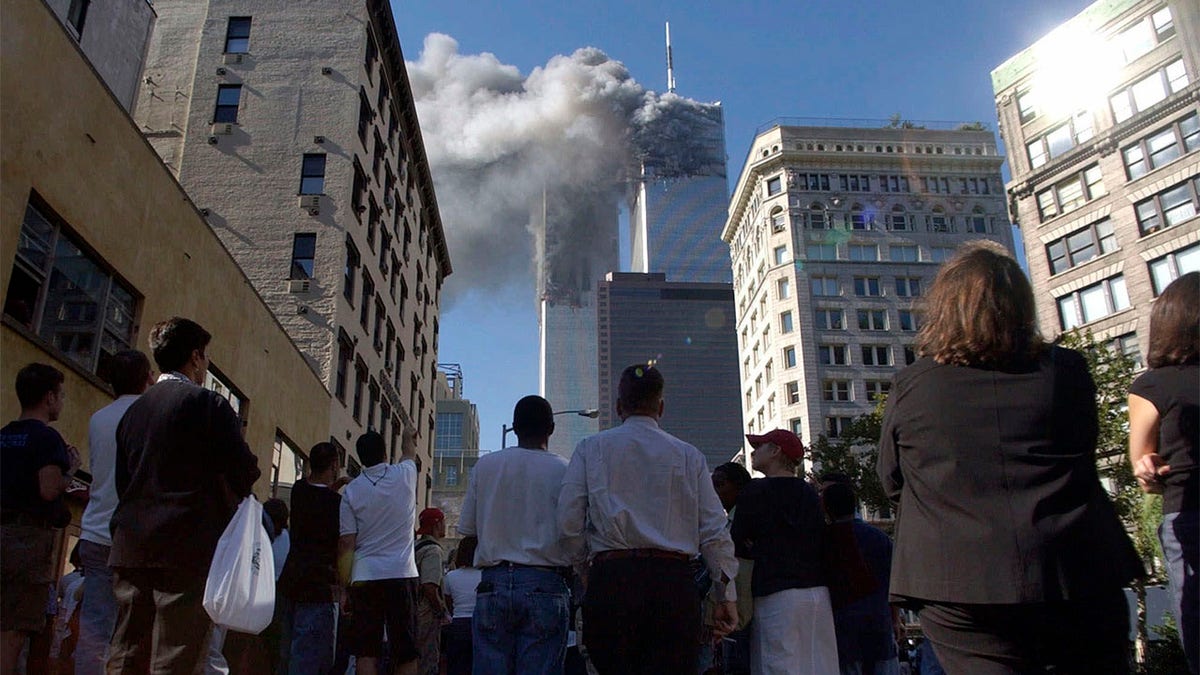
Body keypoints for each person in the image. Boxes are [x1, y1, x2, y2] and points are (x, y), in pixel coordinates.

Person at [876, 241, 1143, 674]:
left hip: (958, 584)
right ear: (1023, 306)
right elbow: (1087, 449)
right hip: (1075, 569)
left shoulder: (913, 385)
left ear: (941, 309)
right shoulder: (1067, 371)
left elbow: (891, 480)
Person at [559, 364, 738, 674]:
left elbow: (568, 520)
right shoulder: (689, 455)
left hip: (612, 579)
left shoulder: (591, 448)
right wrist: (726, 595)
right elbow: (714, 532)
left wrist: (584, 568)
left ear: (618, 407)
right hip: (674, 582)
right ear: (662, 407)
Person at [107, 317, 262, 674]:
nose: (205, 365)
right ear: (195, 357)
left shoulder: (132, 413)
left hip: (132, 546)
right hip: (188, 549)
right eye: (205, 357)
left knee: (128, 650)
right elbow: (245, 472)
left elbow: (124, 483)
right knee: (176, 654)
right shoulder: (209, 406)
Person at [459, 395, 584, 674]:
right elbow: (573, 530)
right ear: (551, 429)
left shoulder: (486, 467)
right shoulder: (565, 470)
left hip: (493, 583)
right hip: (546, 583)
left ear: (514, 428)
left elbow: (468, 531)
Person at [1128, 270, 1198, 674]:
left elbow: (1143, 467)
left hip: (1187, 513)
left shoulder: (1152, 385)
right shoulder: (1151, 385)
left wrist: (1149, 471)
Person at [732, 429, 836, 675]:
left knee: (777, 665)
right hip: (818, 594)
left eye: (760, 446)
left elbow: (736, 541)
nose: (754, 452)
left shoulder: (754, 492)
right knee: (820, 665)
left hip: (775, 592)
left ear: (776, 451)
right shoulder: (810, 493)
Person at [75, 350, 152, 675]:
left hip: (95, 532)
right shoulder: (150, 418)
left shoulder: (98, 418)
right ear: (147, 378)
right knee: (135, 635)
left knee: (94, 630)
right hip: (135, 540)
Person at [1, 363, 80, 675]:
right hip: (26, 541)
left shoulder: (5, 435)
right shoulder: (48, 440)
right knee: (13, 630)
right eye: (60, 395)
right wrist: (70, 471)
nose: (61, 402)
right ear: (49, 398)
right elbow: (49, 490)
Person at [338, 428, 420, 675]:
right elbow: (409, 452)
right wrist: (407, 436)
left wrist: (344, 588)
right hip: (401, 572)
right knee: (405, 651)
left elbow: (346, 545)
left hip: (364, 577)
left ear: (360, 458)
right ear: (386, 453)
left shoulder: (351, 492)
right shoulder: (405, 474)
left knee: (366, 651)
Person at [277, 442, 347, 675]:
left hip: (291, 579)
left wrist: (337, 485)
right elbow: (341, 544)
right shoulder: (337, 505)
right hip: (317, 584)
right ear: (335, 465)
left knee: (287, 651)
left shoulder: (298, 491)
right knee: (308, 655)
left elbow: (317, 492)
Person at [819, 479, 899, 675]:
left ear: (826, 508)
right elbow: (894, 584)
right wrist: (895, 620)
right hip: (879, 623)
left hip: (842, 630)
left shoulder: (822, 541)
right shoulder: (879, 538)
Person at [708, 462, 753, 675]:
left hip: (742, 609)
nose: (715, 492)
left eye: (720, 484)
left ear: (739, 486)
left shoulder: (743, 523)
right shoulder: (726, 522)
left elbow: (728, 568)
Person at [414, 508, 447, 675]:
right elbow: (430, 586)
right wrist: (441, 610)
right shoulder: (433, 551)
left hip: (410, 609)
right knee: (426, 660)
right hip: (425, 613)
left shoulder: (415, 546)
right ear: (437, 524)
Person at [440, 538, 479, 675]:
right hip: (480, 622)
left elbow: (448, 602)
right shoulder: (485, 576)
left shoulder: (450, 576)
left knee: (457, 666)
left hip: (458, 622)